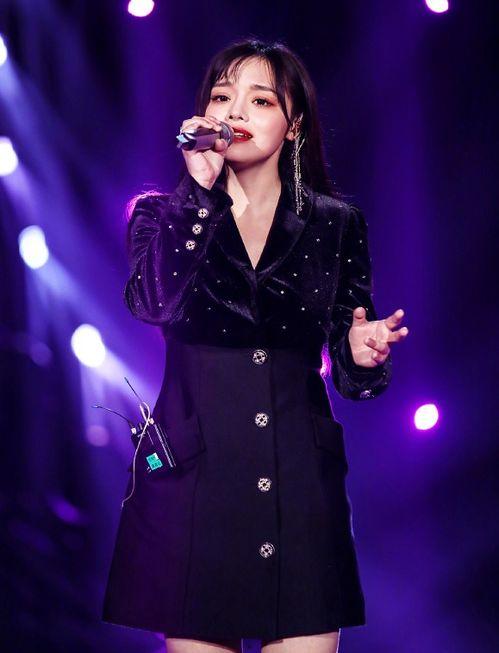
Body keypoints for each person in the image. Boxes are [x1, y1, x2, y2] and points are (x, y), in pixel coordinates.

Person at [101, 38, 409, 653]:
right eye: (222, 97)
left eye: (260, 100)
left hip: (299, 483)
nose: (236, 110)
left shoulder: (334, 223)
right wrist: (199, 194)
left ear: (293, 124)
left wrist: (360, 350)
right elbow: (150, 304)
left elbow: (353, 369)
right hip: (194, 481)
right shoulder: (163, 213)